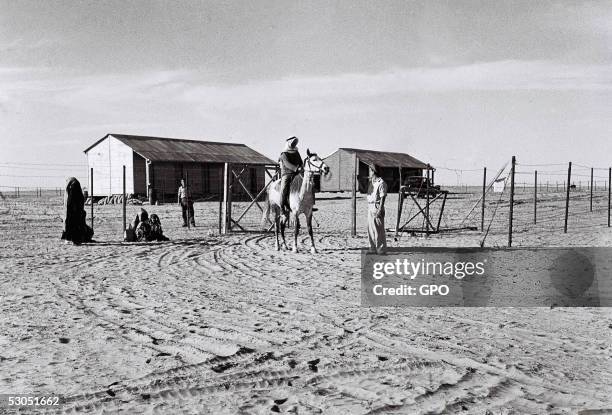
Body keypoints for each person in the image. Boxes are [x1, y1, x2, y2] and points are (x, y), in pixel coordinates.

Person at [61, 177, 94, 245]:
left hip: (72, 211)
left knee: (71, 224)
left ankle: (71, 239)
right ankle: (73, 239)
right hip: (74, 211)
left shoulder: (72, 188)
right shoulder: (75, 188)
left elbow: (71, 202)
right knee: (74, 224)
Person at [279, 136, 303, 215]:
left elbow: (300, 161)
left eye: (295, 143)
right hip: (287, 173)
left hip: (296, 173)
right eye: (293, 142)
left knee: (307, 184)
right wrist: (296, 168)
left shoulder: (296, 151)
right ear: (289, 143)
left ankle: (308, 205)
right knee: (283, 189)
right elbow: (287, 164)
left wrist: (301, 167)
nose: (294, 144)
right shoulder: (284, 153)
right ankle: (282, 208)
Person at [366, 165, 387, 255]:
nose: (369, 173)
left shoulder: (381, 183)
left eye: (370, 171)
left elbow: (383, 197)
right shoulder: (372, 183)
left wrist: (380, 209)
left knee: (378, 229)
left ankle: (381, 249)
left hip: (377, 206)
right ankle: (372, 248)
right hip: (370, 206)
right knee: (370, 229)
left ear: (373, 171)